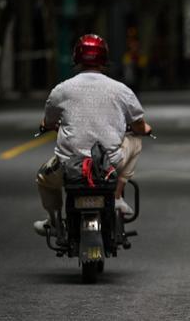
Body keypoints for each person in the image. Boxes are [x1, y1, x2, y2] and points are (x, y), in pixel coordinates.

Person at [33, 34, 152, 236]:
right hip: (110, 165)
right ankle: (116, 196)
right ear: (104, 59)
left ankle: (55, 222)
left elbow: (49, 121)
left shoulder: (61, 90)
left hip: (69, 167)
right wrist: (145, 129)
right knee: (136, 142)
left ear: (76, 59)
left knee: (43, 178)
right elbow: (139, 126)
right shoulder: (121, 90)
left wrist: (47, 125)